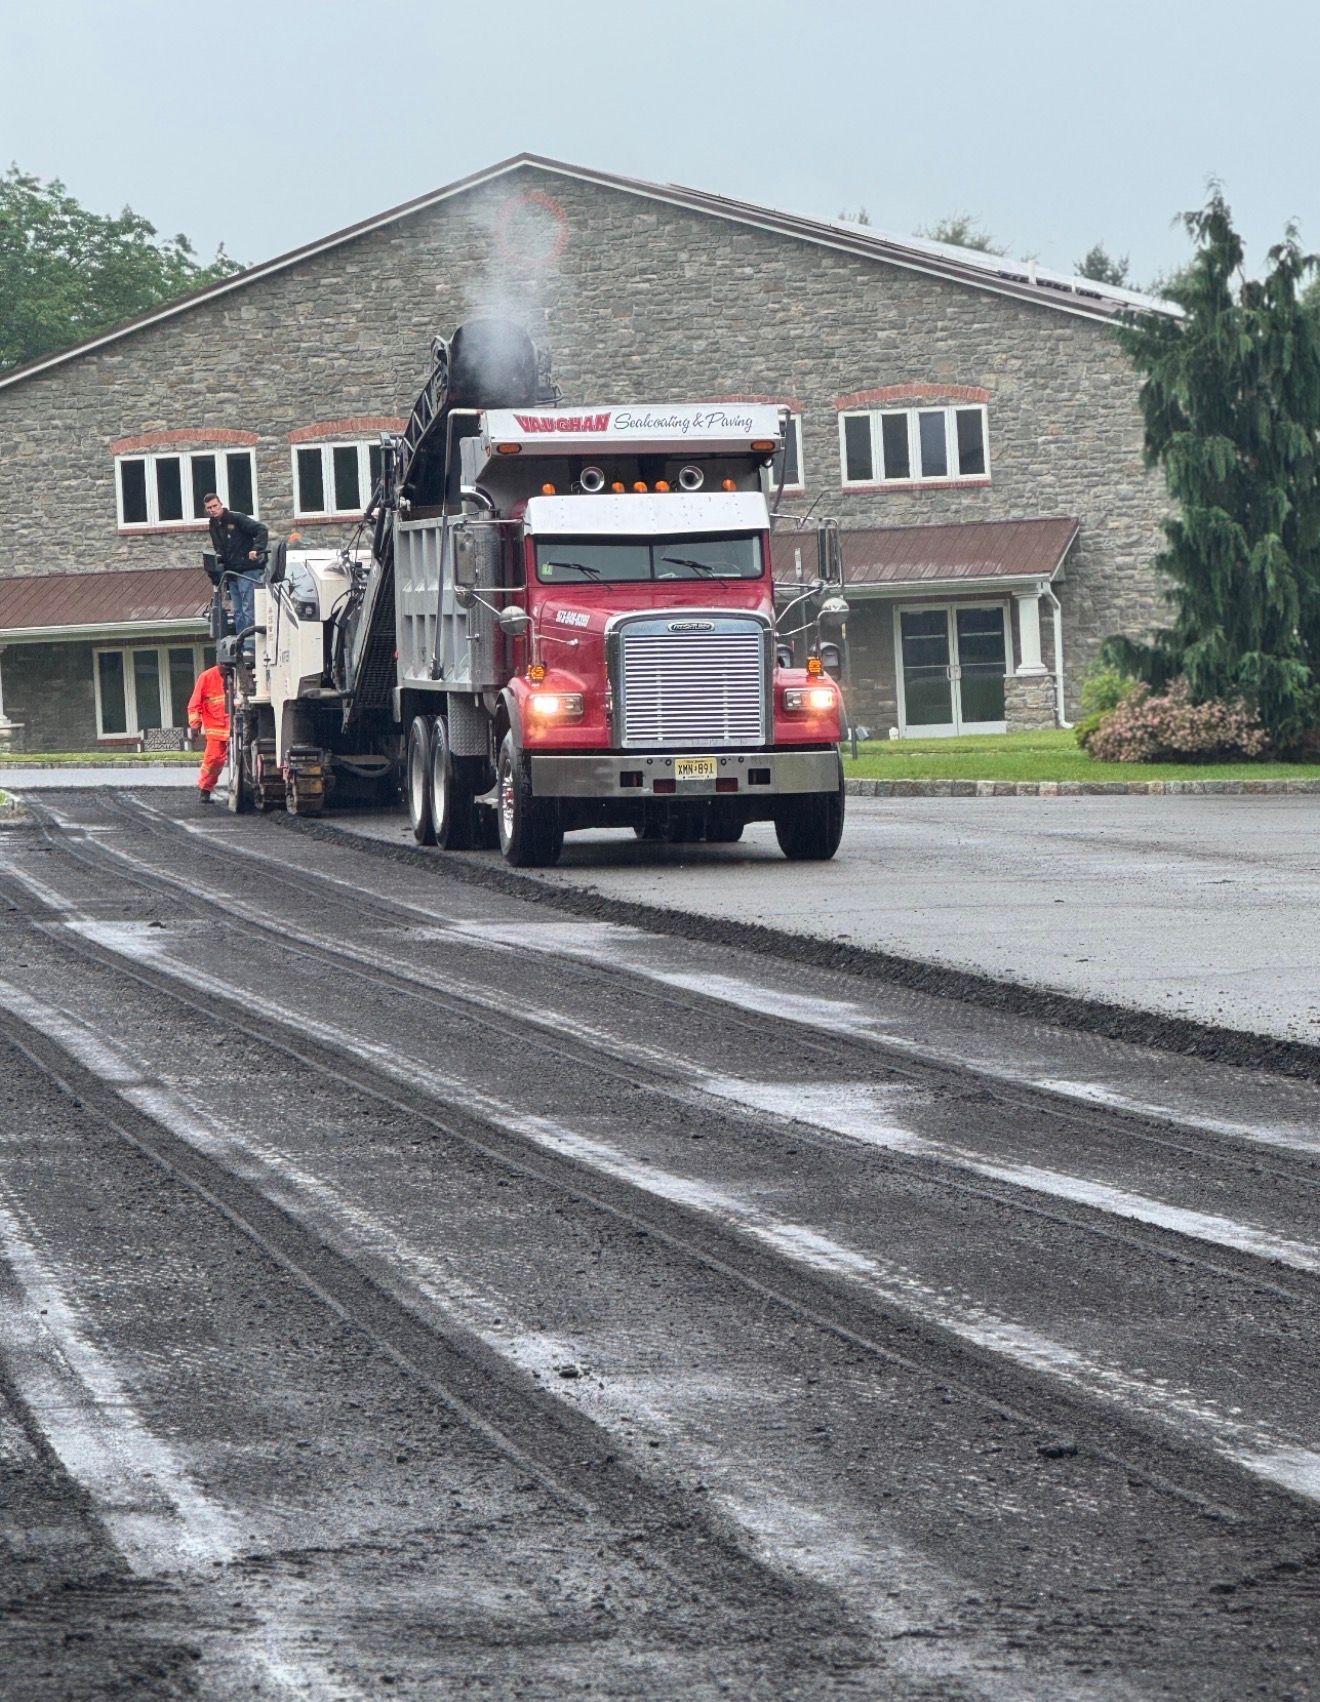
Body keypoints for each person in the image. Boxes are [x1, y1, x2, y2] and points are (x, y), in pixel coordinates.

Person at [203, 494, 268, 648]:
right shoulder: (213, 525)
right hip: (231, 573)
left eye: (214, 506)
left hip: (248, 569)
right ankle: (242, 643)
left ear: (221, 504)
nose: (213, 510)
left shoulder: (236, 519)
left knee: (248, 609)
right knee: (238, 610)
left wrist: (256, 549)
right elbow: (219, 548)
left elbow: (261, 529)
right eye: (209, 508)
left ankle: (253, 645)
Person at [187, 658, 231, 804]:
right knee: (214, 760)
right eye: (224, 666)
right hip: (216, 729)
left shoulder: (238, 675)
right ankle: (205, 790)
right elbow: (194, 704)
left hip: (236, 727)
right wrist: (195, 724)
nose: (226, 669)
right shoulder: (206, 677)